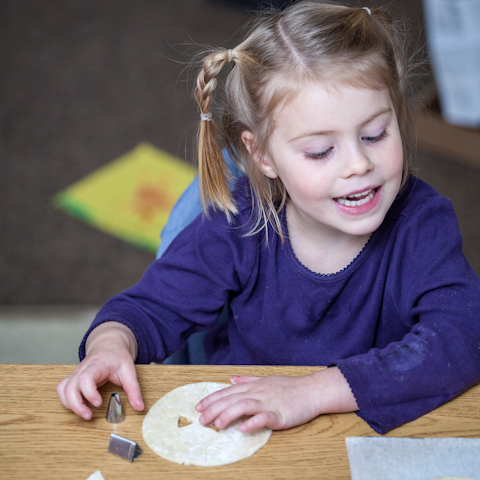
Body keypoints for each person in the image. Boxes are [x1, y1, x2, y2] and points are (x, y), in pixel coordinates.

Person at [57, 1, 480, 435]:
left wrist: (312, 392)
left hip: (361, 428)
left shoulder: (421, 224)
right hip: (242, 427)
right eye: (320, 151)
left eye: (375, 134)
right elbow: (148, 308)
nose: (358, 164)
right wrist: (110, 344)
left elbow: (466, 334)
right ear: (262, 154)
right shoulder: (239, 223)